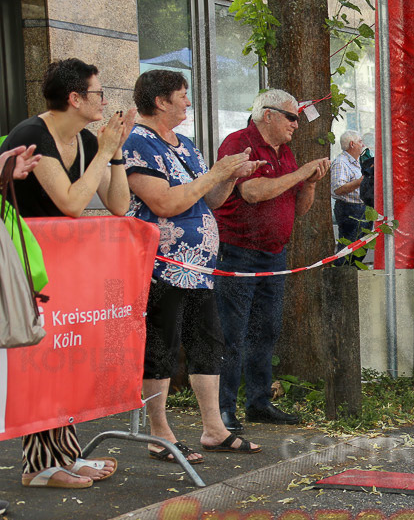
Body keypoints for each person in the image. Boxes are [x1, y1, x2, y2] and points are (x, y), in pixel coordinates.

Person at [3, 58, 132, 488]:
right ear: (75, 99)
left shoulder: (84, 140)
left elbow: (118, 204)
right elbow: (72, 203)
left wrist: (115, 154)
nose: (104, 101)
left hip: (64, 270)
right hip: (27, 269)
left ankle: (66, 454)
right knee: (38, 361)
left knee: (64, 360)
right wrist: (104, 150)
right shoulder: (32, 137)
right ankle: (38, 466)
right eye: (98, 94)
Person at [124, 69, 264, 463]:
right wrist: (216, 174)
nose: (188, 102)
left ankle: (213, 429)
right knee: (162, 345)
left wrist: (229, 179)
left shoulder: (184, 143)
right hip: (162, 265)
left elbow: (210, 201)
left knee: (207, 342)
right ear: (160, 101)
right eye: (182, 95)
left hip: (198, 266)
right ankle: (159, 432)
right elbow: (165, 203)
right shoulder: (137, 143)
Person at [213, 89, 331, 429]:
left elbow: (298, 209)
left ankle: (259, 402)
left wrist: (309, 185)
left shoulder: (286, 152)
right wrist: (300, 174)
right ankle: (224, 409)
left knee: (266, 329)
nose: (296, 124)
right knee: (232, 332)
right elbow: (251, 192)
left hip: (272, 253)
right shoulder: (239, 143)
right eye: (291, 117)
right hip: (238, 250)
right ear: (268, 115)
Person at [329, 130, 366, 263]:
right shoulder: (341, 162)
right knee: (348, 249)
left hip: (361, 208)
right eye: (360, 142)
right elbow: (337, 189)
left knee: (360, 249)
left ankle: (351, 275)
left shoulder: (357, 161)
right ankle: (342, 276)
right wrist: (360, 181)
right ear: (352, 144)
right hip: (349, 210)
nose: (363, 145)